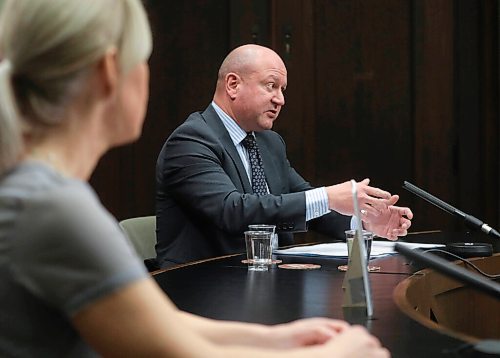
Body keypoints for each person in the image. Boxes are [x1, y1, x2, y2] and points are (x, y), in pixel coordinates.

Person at [0, 0, 390, 357]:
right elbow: (176, 351)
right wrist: (335, 353)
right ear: (108, 71)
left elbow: (159, 324)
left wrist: (277, 338)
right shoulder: (55, 207)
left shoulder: (38, 193)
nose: (280, 99)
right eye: (144, 61)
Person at [155, 44, 413, 268]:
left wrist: (365, 222)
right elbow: (232, 210)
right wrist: (328, 196)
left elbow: (306, 205)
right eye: (271, 86)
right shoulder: (191, 141)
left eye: (282, 89)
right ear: (233, 85)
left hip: (270, 279)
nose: (280, 100)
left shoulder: (269, 142)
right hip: (204, 286)